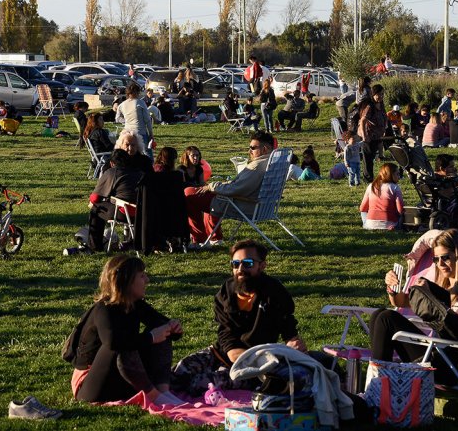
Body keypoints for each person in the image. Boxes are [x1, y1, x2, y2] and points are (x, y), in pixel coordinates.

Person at [171, 240, 309, 395]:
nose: (240, 269)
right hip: (223, 353)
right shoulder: (226, 291)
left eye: (248, 263)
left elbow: (287, 324)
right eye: (235, 264)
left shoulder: (274, 291)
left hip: (254, 363)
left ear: (262, 266)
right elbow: (225, 331)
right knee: (178, 373)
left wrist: (292, 342)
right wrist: (233, 352)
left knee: (199, 384)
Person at [369, 229, 458, 385]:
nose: (440, 264)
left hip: (456, 365)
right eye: (436, 259)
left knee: (387, 319)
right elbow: (400, 302)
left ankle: (379, 387)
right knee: (379, 314)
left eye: (445, 258)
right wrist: (393, 289)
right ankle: (380, 385)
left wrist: (433, 300)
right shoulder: (448, 283)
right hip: (441, 354)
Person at [70, 255, 184, 406]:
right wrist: (150, 337)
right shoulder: (103, 309)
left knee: (158, 330)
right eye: (142, 276)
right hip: (90, 385)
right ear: (126, 280)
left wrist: (173, 327)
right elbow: (113, 343)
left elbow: (162, 326)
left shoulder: (135, 304)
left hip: (118, 377)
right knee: (122, 342)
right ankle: (155, 396)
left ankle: (163, 391)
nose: (147, 281)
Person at [184, 131, 276, 248]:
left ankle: (199, 240)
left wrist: (212, 186)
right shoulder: (273, 163)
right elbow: (238, 185)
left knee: (189, 193)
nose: (249, 151)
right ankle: (214, 238)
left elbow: (235, 189)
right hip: (262, 206)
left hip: (243, 205)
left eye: (253, 148)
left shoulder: (257, 166)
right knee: (209, 194)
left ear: (265, 149)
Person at [86, 150, 144, 251]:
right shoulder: (140, 173)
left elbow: (95, 198)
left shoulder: (112, 172)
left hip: (124, 212)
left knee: (96, 208)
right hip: (142, 213)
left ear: (112, 163)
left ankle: (95, 246)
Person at [357, 84, 388, 182]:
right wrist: (365, 136)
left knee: (372, 157)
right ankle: (368, 178)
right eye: (378, 94)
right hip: (369, 136)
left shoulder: (381, 104)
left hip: (377, 136)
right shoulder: (370, 106)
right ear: (373, 95)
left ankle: (370, 177)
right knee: (368, 158)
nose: (381, 96)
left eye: (382, 94)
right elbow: (363, 120)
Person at [360, 163, 404, 230]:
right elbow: (400, 210)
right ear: (390, 174)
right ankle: (395, 226)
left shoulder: (371, 186)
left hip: (370, 225)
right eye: (397, 174)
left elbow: (362, 208)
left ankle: (369, 223)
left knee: (363, 212)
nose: (399, 177)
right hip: (390, 224)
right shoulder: (395, 188)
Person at [117, 84, 154, 159]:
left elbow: (117, 118)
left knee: (128, 153)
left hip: (127, 132)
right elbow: (147, 120)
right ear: (136, 92)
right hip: (140, 131)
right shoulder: (140, 103)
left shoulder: (122, 105)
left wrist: (127, 122)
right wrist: (151, 134)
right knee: (146, 153)